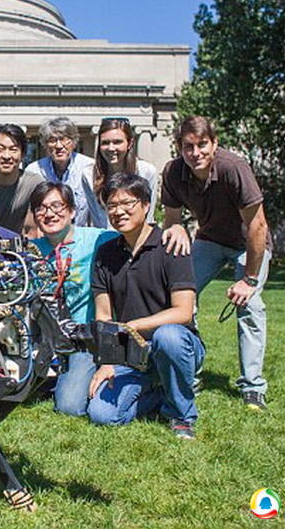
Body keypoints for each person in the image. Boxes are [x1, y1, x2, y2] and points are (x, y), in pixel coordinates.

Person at [160, 115, 272, 411]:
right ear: (179, 148)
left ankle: (253, 387)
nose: (195, 153)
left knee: (250, 305)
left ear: (214, 143)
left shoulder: (233, 168)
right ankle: (189, 374)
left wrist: (249, 280)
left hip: (249, 243)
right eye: (188, 146)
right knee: (180, 296)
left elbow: (258, 226)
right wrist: (176, 232)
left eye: (202, 145)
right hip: (209, 239)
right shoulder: (173, 172)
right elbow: (171, 221)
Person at [89, 173, 203, 439]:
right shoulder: (105, 253)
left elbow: (184, 312)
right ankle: (163, 391)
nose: (118, 211)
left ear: (145, 205)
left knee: (168, 336)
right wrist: (106, 362)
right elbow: (103, 315)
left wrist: (134, 325)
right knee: (102, 415)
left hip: (175, 344)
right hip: (131, 353)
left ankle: (181, 415)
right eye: (112, 205)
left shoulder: (171, 245)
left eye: (127, 203)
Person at [29, 182, 118, 416]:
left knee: (69, 406)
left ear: (71, 211)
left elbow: (136, 235)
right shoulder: (31, 251)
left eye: (57, 206)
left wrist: (174, 229)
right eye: (41, 208)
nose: (49, 213)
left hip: (83, 338)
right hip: (45, 338)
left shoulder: (97, 240)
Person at [26, 117, 96, 227]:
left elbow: (96, 210)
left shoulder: (89, 168)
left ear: (73, 142)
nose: (59, 146)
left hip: (79, 232)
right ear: (45, 144)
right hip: (46, 233)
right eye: (52, 140)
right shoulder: (34, 171)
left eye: (64, 139)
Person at [90, 117, 158, 229]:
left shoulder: (147, 172)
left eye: (117, 142)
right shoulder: (88, 175)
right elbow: (96, 220)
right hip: (106, 237)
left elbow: (148, 217)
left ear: (130, 143)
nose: (111, 148)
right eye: (105, 143)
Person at [0, 124, 42, 236]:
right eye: (0, 149)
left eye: (13, 150)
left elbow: (31, 230)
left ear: (23, 154)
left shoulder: (34, 184)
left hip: (19, 243)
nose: (6, 156)